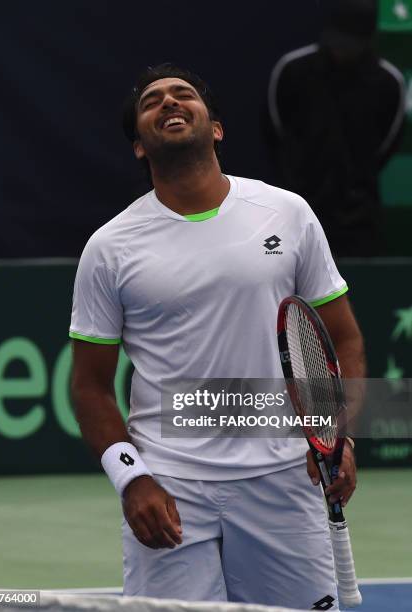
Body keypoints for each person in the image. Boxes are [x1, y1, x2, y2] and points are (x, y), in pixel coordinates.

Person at [70, 63, 365, 610]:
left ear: (217, 128)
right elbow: (90, 385)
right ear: (139, 145)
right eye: (152, 101)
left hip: (283, 481)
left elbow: (342, 339)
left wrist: (339, 431)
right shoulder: (109, 247)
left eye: (183, 94)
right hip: (171, 484)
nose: (169, 102)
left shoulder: (288, 213)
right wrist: (131, 480)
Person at [267, 0, 405, 257]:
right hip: (297, 208)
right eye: (337, 40)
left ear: (367, 39)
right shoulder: (293, 70)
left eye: (350, 43)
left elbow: (387, 143)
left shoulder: (387, 82)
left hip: (360, 219)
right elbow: (276, 131)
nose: (341, 50)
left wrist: (355, 182)